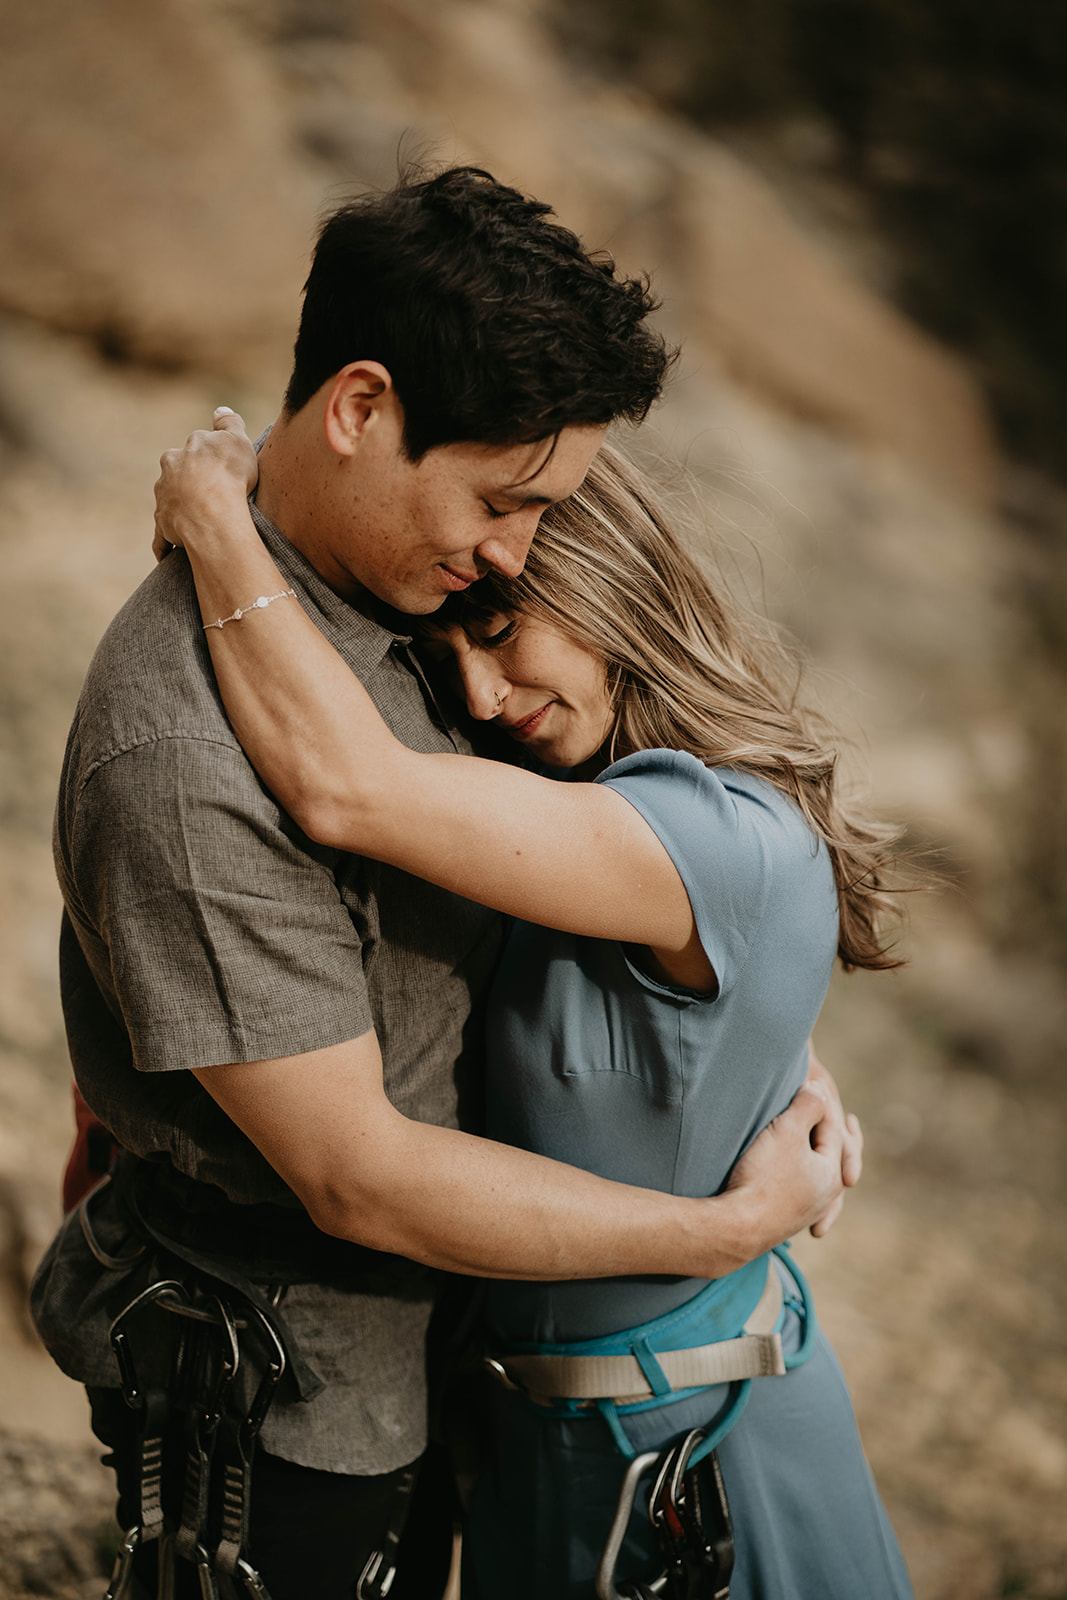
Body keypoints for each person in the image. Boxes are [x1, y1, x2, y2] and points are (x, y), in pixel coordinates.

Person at [31, 166, 855, 1600]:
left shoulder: (417, 612)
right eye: (500, 499)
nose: (511, 552)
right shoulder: (190, 743)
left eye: (545, 519)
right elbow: (357, 1171)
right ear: (358, 410)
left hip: (477, 1378)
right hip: (296, 1413)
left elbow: (592, 893)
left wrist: (754, 1045)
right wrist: (720, 1224)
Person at [152, 421, 910, 1600]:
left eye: (499, 629)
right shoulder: (607, 809)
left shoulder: (710, 836)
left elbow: (347, 786)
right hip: (543, 1450)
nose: (479, 691)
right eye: (446, 654)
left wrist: (209, 517)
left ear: (612, 582)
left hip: (691, 1466)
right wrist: (779, 1068)